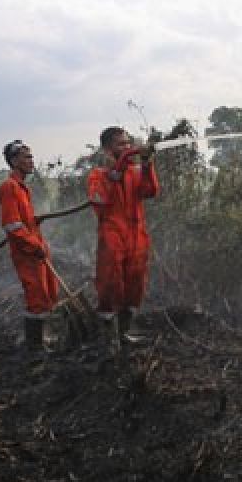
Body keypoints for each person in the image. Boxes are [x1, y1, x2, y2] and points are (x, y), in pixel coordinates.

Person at [88, 127, 159, 350]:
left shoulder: (136, 171)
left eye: (129, 143)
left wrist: (147, 164)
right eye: (121, 144)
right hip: (113, 235)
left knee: (135, 285)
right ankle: (108, 338)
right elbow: (99, 201)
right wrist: (114, 175)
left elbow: (151, 191)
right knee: (110, 284)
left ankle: (124, 333)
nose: (128, 148)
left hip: (137, 236)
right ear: (107, 149)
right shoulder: (98, 175)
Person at [0, 139, 60, 363]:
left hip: (35, 248)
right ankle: (34, 347)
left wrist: (37, 231)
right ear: (14, 161)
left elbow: (23, 221)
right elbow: (12, 226)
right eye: (26, 157)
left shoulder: (23, 187)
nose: (31, 161)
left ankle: (42, 337)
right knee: (36, 296)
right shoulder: (9, 187)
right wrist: (35, 246)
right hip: (26, 252)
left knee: (48, 293)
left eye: (31, 156)